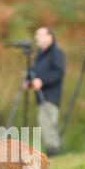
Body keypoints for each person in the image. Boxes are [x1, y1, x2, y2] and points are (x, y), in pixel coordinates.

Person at [24, 27, 65, 157]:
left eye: (39, 35)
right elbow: (35, 72)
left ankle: (53, 151)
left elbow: (59, 72)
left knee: (47, 123)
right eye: (36, 35)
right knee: (43, 123)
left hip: (51, 95)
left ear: (49, 37)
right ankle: (50, 150)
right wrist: (29, 80)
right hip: (40, 96)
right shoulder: (39, 55)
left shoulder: (56, 53)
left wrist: (42, 81)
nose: (37, 38)